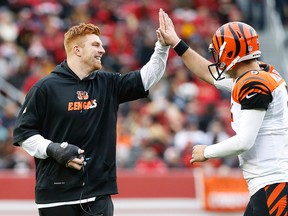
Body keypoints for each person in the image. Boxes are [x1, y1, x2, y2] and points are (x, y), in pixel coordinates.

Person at [13, 11, 170, 216]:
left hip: (98, 195)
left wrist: (162, 47)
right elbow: (23, 134)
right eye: (96, 45)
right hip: (56, 196)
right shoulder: (45, 88)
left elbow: (145, 79)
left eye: (102, 45)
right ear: (77, 50)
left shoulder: (107, 83)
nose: (103, 50)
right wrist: (54, 149)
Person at [158, 8, 288, 216]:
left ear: (229, 51)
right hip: (267, 184)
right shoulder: (260, 74)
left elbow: (245, 141)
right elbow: (208, 74)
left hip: (273, 184)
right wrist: (176, 43)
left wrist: (207, 152)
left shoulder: (254, 83)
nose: (216, 58)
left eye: (218, 51)